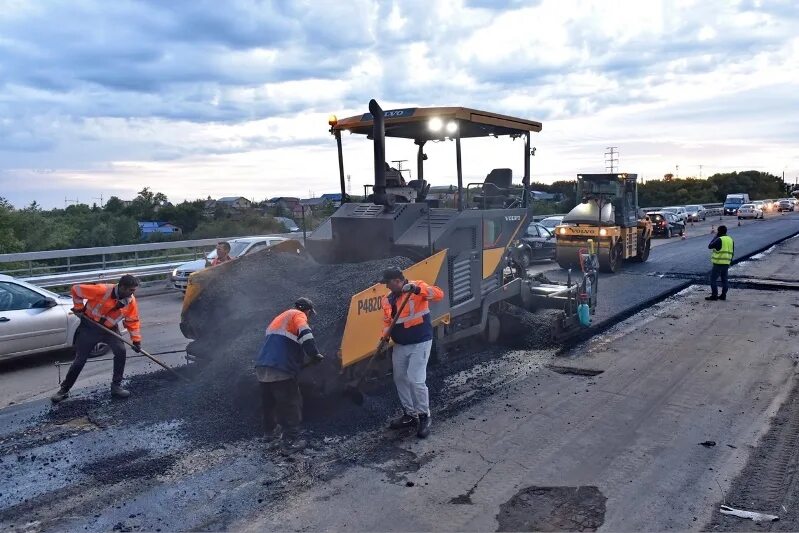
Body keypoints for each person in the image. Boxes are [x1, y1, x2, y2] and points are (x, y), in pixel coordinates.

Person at [51, 274, 142, 403]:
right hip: (90, 327)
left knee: (121, 351)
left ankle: (116, 387)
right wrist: (78, 308)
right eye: (131, 290)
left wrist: (136, 340)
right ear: (122, 287)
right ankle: (64, 390)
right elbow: (76, 289)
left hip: (110, 329)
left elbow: (132, 321)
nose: (133, 293)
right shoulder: (102, 290)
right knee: (80, 360)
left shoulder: (130, 300)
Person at [381, 267, 444, 439]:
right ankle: (410, 415)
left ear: (396, 280)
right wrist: (384, 338)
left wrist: (417, 290)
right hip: (400, 344)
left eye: (387, 283)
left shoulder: (417, 287)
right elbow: (388, 321)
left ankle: (424, 416)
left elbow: (439, 294)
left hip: (420, 342)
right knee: (400, 378)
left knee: (416, 380)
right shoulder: (387, 299)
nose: (386, 287)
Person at [255, 297, 324, 450]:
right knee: (291, 401)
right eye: (309, 314)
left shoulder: (279, 318)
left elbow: (282, 345)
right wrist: (314, 354)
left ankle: (269, 434)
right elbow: (306, 334)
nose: (309, 317)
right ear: (306, 310)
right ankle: (293, 438)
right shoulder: (297, 315)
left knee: (269, 403)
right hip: (280, 368)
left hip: (262, 366)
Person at [706, 225, 734, 301]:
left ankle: (714, 295)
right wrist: (730, 261)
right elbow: (732, 251)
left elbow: (710, 246)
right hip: (726, 262)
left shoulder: (719, 239)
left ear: (719, 231)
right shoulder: (730, 239)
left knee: (713, 279)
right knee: (724, 279)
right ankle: (723, 295)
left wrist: (715, 237)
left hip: (718, 263)